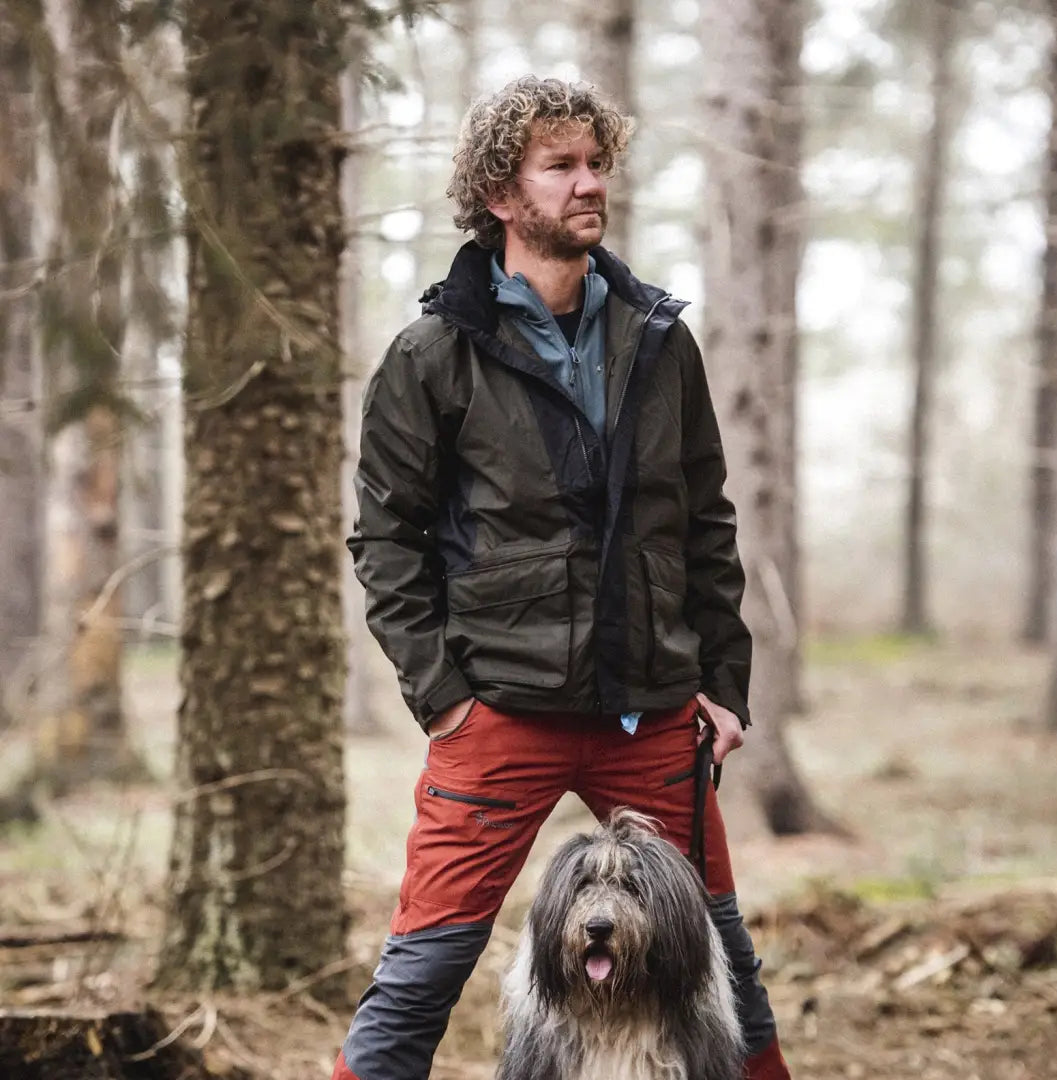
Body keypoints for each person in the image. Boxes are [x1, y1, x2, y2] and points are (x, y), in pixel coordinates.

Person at [331, 75, 792, 1080]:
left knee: (723, 966)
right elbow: (386, 538)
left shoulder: (662, 341)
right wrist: (444, 698)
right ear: (501, 192)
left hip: (655, 711)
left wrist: (723, 683)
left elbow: (704, 522)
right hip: (499, 711)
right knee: (422, 973)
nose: (590, 185)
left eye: (597, 164)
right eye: (563, 167)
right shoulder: (433, 353)